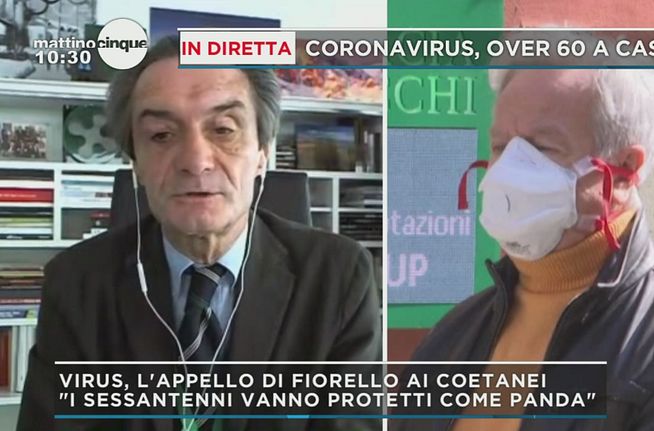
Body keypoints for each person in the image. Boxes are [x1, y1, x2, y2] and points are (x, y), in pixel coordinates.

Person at [18, 36, 382, 431]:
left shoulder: (339, 277)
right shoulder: (76, 284)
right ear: (136, 163)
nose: (196, 160)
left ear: (263, 152)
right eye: (161, 135)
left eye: (223, 129)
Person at [392, 69, 654, 431]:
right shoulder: (453, 335)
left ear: (624, 170)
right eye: (501, 146)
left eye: (542, 148)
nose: (508, 171)